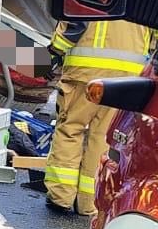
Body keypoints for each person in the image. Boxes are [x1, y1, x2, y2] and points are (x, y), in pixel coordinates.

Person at [44, 13, 151, 216]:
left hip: (87, 69)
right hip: (128, 75)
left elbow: (75, 21)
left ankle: (61, 197)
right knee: (103, 137)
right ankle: (88, 203)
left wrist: (54, 52)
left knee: (71, 129)